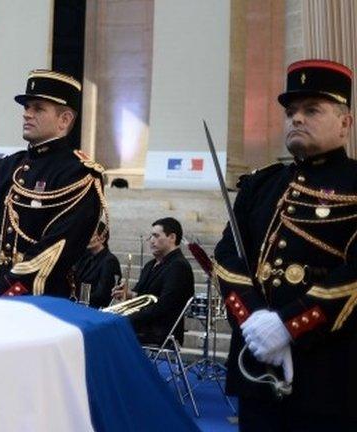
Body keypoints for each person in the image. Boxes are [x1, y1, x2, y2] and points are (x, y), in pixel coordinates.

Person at [214, 59, 357, 430]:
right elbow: (229, 258)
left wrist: (289, 326)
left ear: (345, 124)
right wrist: (256, 321)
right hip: (258, 361)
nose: (296, 119)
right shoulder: (262, 184)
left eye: (312, 110)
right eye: (291, 112)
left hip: (329, 370)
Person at [0, 69, 108, 298]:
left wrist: (0, 292)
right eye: (26, 107)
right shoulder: (5, 169)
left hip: (42, 301)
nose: (27, 114)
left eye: (38, 108)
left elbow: (57, 247)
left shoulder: (79, 175)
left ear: (64, 120)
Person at [112, 217, 194, 345]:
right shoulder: (150, 265)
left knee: (107, 330)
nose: (151, 241)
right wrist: (127, 294)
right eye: (151, 236)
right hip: (144, 325)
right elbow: (139, 294)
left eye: (156, 236)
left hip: (160, 331)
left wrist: (126, 319)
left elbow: (164, 306)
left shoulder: (179, 266)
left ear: (172, 237)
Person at [72, 221, 121, 308]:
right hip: (79, 306)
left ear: (102, 239)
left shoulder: (109, 261)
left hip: (94, 309)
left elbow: (102, 294)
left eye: (91, 234)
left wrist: (78, 297)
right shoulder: (84, 256)